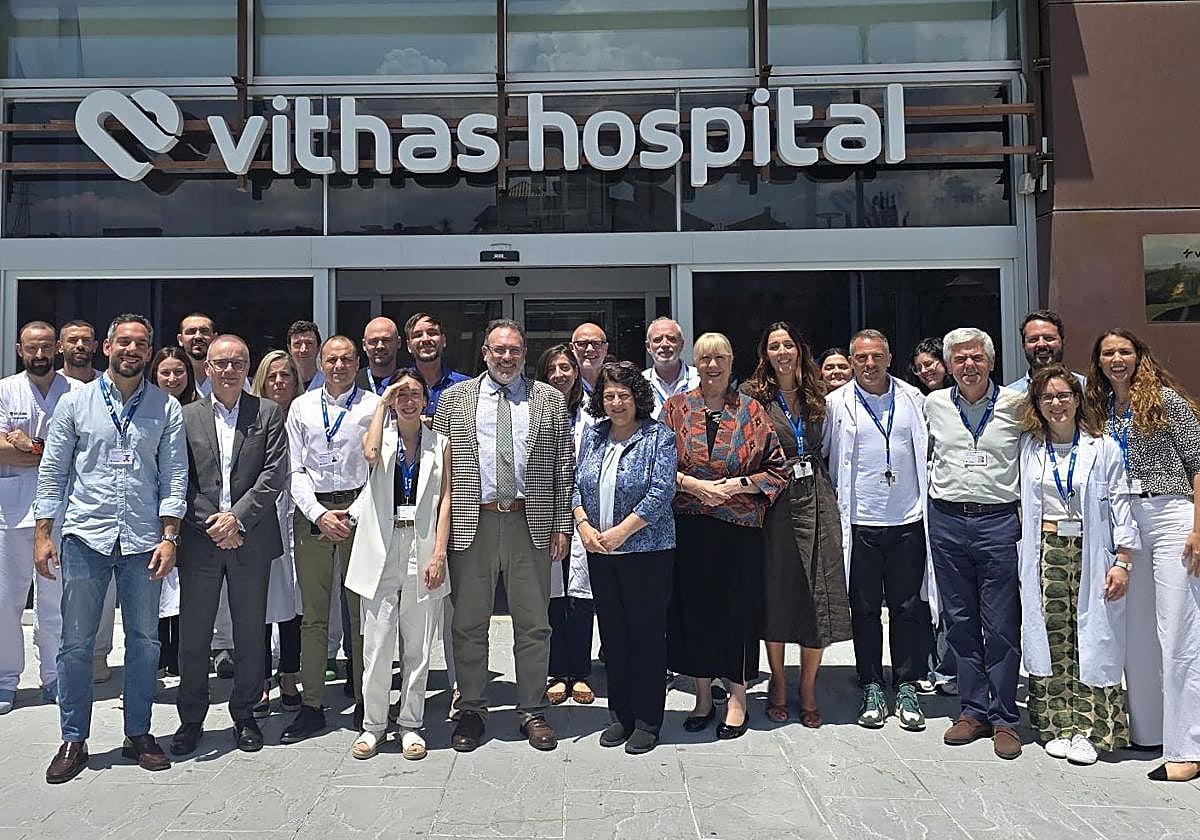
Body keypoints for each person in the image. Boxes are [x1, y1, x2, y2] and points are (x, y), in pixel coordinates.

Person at [34, 314, 187, 783]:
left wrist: (170, 536)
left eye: (141, 344)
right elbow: (54, 470)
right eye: (124, 342)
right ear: (107, 347)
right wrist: (44, 533)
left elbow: (174, 475)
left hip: (143, 541)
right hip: (86, 538)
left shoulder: (166, 407)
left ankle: (137, 733)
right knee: (76, 644)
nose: (132, 350)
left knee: (144, 642)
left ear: (149, 351)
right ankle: (74, 737)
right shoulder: (75, 403)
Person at [432, 319, 574, 753]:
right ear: (485, 353)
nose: (506, 357)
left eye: (514, 350)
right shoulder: (455, 400)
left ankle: (532, 709)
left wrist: (562, 526)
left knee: (534, 623)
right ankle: (473, 708)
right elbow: (440, 472)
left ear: (524, 353)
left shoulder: (548, 399)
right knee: (468, 622)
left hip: (529, 522)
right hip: (471, 522)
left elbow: (563, 466)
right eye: (499, 350)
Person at [1086, 329, 1200, 782]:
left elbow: (1198, 463)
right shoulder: (1099, 410)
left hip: (1171, 512)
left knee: (1178, 631)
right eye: (1108, 352)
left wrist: (1198, 526)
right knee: (1135, 632)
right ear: (1098, 361)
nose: (1117, 358)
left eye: (1125, 351)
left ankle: (1187, 745)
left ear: (1139, 356)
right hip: (1123, 517)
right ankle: (1150, 730)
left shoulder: (1167, 401)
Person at [663, 332, 787, 740]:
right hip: (690, 526)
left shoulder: (752, 410)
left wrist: (735, 486)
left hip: (738, 530)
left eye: (720, 358)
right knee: (694, 611)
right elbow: (658, 465)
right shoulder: (676, 408)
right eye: (704, 359)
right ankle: (701, 696)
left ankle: (737, 698)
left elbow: (777, 469)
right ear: (694, 364)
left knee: (735, 613)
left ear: (733, 363)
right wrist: (696, 487)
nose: (712, 366)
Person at [170, 335, 289, 756]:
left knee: (250, 633)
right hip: (201, 542)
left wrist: (236, 518)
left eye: (237, 362)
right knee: (194, 636)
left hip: (249, 538)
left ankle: (245, 715)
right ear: (207, 368)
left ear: (247, 366)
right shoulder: (184, 416)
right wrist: (211, 524)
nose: (228, 370)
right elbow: (176, 477)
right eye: (221, 363)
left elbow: (274, 474)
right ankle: (191, 720)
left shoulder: (269, 413)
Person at [1018, 364, 1135, 766]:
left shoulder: (1103, 447)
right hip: (1046, 549)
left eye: (1064, 395)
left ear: (1078, 399)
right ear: (1037, 403)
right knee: (1051, 636)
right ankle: (1055, 725)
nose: (1056, 403)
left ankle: (1089, 730)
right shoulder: (1030, 447)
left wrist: (1123, 560)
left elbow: (1121, 505)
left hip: (1092, 550)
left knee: (1093, 639)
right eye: (1047, 397)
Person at [741, 322, 850, 729]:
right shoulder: (753, 397)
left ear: (800, 350)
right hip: (774, 498)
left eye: (788, 344)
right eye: (774, 346)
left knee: (817, 590)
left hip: (818, 494)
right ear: (765, 353)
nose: (782, 352)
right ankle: (779, 683)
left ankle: (808, 686)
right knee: (777, 589)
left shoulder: (822, 393)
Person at [824, 329, 932, 732]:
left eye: (877, 357)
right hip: (859, 521)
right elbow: (824, 454)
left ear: (889, 357)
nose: (869, 365)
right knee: (865, 609)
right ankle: (870, 681)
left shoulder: (913, 399)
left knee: (907, 607)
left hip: (906, 518)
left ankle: (905, 683)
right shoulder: (836, 404)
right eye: (861, 358)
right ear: (851, 362)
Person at [925, 327, 1025, 759]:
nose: (968, 366)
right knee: (960, 620)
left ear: (990, 361)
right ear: (948, 365)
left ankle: (1005, 717)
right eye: (960, 359)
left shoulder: (1017, 406)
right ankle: (972, 710)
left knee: (1001, 622)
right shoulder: (932, 404)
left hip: (998, 522)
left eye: (976, 358)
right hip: (947, 521)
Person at [345, 369, 451, 761]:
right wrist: (382, 402)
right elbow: (370, 454)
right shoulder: (381, 436)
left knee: (419, 647)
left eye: (414, 394)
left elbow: (445, 500)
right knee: (376, 644)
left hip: (420, 545)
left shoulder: (440, 443)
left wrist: (438, 553)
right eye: (400, 395)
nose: (407, 400)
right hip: (382, 547)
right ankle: (373, 725)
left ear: (426, 401)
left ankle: (410, 723)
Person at [573, 361, 677, 753]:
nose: (616, 403)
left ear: (638, 398)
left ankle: (648, 720)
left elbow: (660, 491)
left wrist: (621, 531)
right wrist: (583, 525)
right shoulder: (595, 435)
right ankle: (620, 715)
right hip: (601, 551)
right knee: (614, 637)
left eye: (623, 395)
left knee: (646, 637)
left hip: (646, 553)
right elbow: (575, 483)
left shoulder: (658, 436)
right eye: (609, 395)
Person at [281, 335, 380, 743]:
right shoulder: (301, 407)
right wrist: (319, 515)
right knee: (314, 614)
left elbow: (381, 469)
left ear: (357, 362)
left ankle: (364, 701)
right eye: (331, 360)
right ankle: (312, 705)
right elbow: (295, 469)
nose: (338, 366)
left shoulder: (374, 406)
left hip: (361, 513)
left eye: (346, 359)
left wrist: (353, 514)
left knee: (362, 614)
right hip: (314, 516)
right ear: (320, 363)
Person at [0, 322, 82, 715]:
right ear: (20, 349)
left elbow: (83, 451)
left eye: (46, 347)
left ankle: (54, 676)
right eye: (32, 348)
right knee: (5, 600)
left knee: (55, 600)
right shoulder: (4, 389)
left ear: (59, 349)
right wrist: (52, 453)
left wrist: (29, 445)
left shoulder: (79, 392)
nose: (39, 355)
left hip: (64, 511)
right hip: (10, 511)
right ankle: (5, 680)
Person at [56, 320, 117, 682]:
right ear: (61, 345)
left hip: (103, 506)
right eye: (72, 340)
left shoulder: (106, 387)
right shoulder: (66, 394)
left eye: (85, 340)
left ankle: (98, 654)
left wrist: (28, 445)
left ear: (98, 346)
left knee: (105, 591)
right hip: (64, 506)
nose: (79, 345)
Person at [535, 344, 595, 706]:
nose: (560, 374)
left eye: (566, 367)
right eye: (552, 368)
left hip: (586, 509)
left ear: (576, 372)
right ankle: (557, 671)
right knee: (553, 592)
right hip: (547, 510)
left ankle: (580, 672)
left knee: (582, 592)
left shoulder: (594, 410)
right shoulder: (535, 409)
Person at [250, 351, 305, 717]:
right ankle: (258, 679)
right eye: (272, 377)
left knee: (294, 598)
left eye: (286, 375)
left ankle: (289, 673)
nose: (280, 382)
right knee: (258, 600)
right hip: (261, 516)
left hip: (299, 514)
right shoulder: (251, 416)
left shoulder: (305, 413)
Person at [908, 336, 956, 695]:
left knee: (950, 591)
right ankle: (927, 663)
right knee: (924, 589)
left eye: (932, 363)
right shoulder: (915, 402)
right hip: (922, 500)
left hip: (953, 502)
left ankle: (950, 667)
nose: (927, 371)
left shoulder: (960, 402)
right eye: (920, 366)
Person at [150, 346, 198, 678]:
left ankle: (180, 652)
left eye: (178, 372)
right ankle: (157, 651)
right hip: (149, 505)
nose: (172, 378)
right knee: (154, 579)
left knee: (184, 585)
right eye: (165, 372)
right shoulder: (145, 408)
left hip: (188, 507)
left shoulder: (198, 410)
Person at [405, 313, 470, 418]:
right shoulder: (396, 385)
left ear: (443, 341)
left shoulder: (467, 386)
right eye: (417, 335)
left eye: (432, 333)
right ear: (409, 346)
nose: (425, 339)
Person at [1006, 310, 1086, 393]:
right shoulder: (1011, 396)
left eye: (1049, 338)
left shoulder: (1087, 390)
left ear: (1063, 341)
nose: (1041, 344)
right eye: (1033, 339)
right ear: (1023, 345)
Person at [643, 317, 698, 420]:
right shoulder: (639, 382)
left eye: (671, 339)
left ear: (681, 344)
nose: (664, 344)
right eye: (657, 340)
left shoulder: (700, 380)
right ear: (648, 347)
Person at [355, 317, 403, 395]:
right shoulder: (352, 384)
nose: (380, 346)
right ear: (364, 345)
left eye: (386, 340)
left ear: (398, 342)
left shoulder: (410, 381)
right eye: (374, 341)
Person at [177, 313, 217, 397]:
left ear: (214, 338)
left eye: (204, 331)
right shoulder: (172, 376)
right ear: (180, 340)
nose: (198, 336)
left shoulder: (228, 374)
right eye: (191, 331)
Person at [287, 320, 325, 392]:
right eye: (297, 344)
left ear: (318, 348)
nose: (303, 349)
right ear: (289, 349)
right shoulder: (284, 386)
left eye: (309, 343)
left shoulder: (328, 385)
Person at [571, 323, 608, 394]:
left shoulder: (618, 383)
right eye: (582, 343)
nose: (590, 349)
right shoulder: (564, 385)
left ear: (605, 348)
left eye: (596, 343)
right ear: (572, 348)